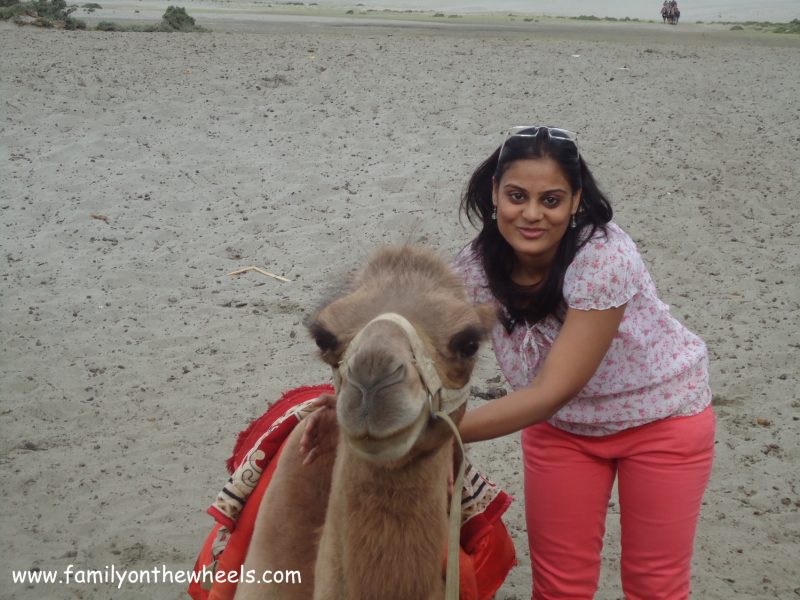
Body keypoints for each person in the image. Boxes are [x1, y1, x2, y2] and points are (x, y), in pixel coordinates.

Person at [452, 126, 715, 599]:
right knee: (558, 589)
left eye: (550, 200)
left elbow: (553, 389)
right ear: (495, 194)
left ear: (575, 201)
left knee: (654, 587)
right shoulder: (474, 268)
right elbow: (421, 346)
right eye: (516, 196)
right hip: (561, 432)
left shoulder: (604, 258)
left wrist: (430, 431)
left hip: (661, 422)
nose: (532, 214)